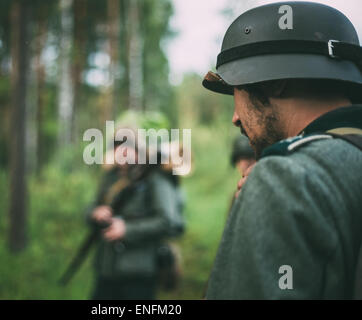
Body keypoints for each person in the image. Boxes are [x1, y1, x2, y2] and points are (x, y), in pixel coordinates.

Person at [202, 2, 362, 299]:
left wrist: (271, 194)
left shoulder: (285, 177)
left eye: (237, 90)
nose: (235, 117)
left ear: (274, 82)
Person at [87, 112, 185, 300]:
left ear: (138, 149)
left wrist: (127, 229)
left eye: (126, 147)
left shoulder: (155, 178)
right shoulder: (111, 177)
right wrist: (95, 213)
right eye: (117, 147)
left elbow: (167, 222)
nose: (121, 152)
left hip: (139, 275)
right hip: (106, 271)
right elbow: (90, 207)